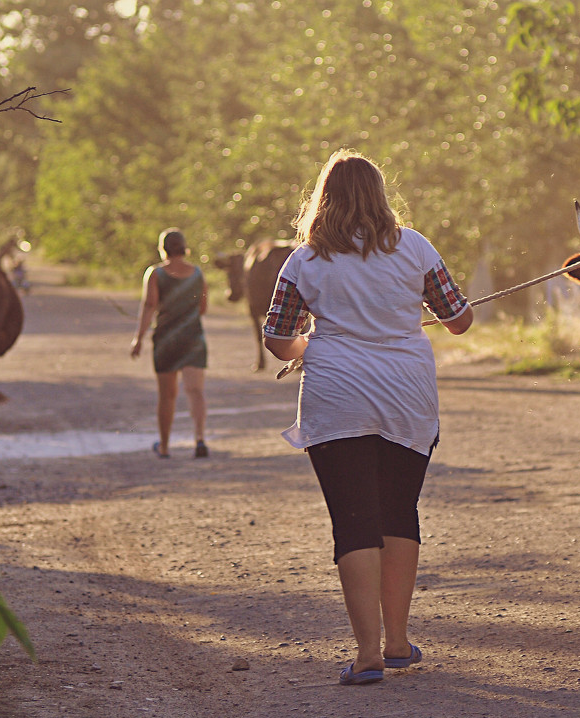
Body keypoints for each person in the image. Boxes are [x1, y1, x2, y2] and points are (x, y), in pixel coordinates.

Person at [262, 149, 474, 686]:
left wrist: (312, 343)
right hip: (407, 397)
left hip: (336, 400)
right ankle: (399, 640)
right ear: (381, 195)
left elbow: (277, 339)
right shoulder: (416, 248)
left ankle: (367, 653)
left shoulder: (304, 260)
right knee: (400, 513)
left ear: (323, 199)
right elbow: (459, 321)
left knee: (355, 521)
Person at [130, 228, 210, 459]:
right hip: (193, 338)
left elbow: (149, 306)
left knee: (167, 395)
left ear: (163, 248)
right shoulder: (197, 273)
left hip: (166, 340)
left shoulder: (155, 274)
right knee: (196, 391)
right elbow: (202, 308)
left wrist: (138, 339)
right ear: (184, 247)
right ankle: (200, 439)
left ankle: (164, 446)